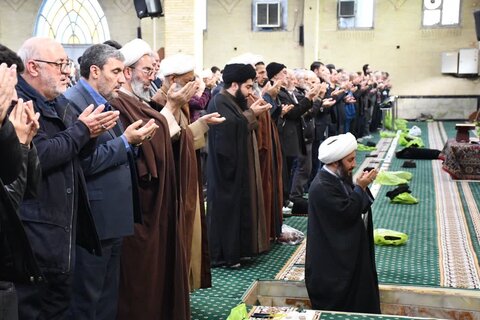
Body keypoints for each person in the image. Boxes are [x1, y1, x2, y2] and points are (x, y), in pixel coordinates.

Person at [15, 37, 117, 319]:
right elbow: (40, 155)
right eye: (59, 64)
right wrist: (83, 130)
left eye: (66, 63)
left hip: (60, 231)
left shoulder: (58, 102)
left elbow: (75, 153)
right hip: (35, 232)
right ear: (33, 67)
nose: (66, 71)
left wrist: (91, 133)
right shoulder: (19, 103)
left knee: (60, 307)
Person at [63, 43, 157, 319]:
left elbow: (115, 147)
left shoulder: (104, 100)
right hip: (93, 217)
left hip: (112, 214)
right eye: (116, 71)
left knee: (106, 297)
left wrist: (133, 142)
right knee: (87, 298)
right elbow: (82, 163)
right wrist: (126, 142)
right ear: (95, 71)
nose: (122, 78)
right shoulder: (73, 102)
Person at [110, 38, 191, 320]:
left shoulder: (139, 100)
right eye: (146, 70)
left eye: (152, 70)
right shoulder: (118, 103)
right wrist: (170, 108)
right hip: (138, 204)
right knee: (140, 274)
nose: (152, 77)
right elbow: (146, 147)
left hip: (155, 200)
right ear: (128, 72)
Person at [305, 132, 381, 314]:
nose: (354, 165)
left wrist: (360, 187)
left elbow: (355, 206)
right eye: (350, 160)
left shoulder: (335, 178)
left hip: (344, 256)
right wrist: (360, 187)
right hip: (332, 265)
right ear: (334, 162)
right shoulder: (323, 186)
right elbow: (347, 213)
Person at [206, 62, 271, 268]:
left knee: (239, 209)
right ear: (235, 84)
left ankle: (239, 252)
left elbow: (239, 122)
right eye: (248, 86)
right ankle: (224, 256)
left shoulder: (231, 101)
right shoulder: (219, 101)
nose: (250, 91)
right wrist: (252, 114)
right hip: (225, 169)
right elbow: (230, 127)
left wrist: (250, 112)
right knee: (226, 212)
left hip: (236, 167)